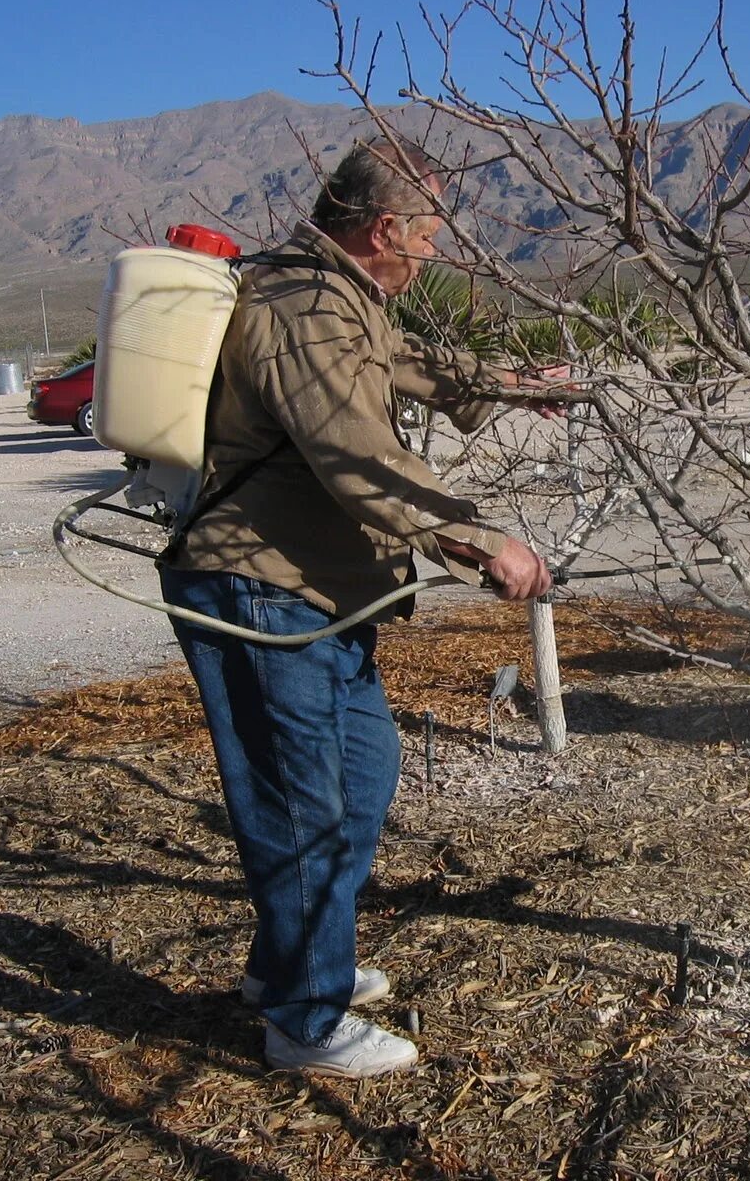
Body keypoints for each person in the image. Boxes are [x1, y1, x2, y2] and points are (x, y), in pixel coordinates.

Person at [158, 139, 556, 1079]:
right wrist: (479, 539)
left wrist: (505, 386)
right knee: (303, 804)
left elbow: (399, 358)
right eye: (426, 235)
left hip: (319, 596)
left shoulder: (339, 294)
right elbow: (357, 457)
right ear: (383, 229)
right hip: (259, 588)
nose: (431, 255)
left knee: (364, 773)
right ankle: (304, 1020)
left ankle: (289, 967)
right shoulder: (302, 305)